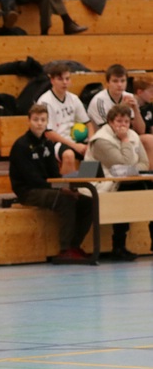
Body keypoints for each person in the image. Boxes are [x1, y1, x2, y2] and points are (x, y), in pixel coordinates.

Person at [9, 103, 93, 264]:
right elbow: (31, 179)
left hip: (47, 187)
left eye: (43, 120)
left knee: (87, 202)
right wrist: (60, 190)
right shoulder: (21, 146)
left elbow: (55, 174)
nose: (39, 123)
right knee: (65, 200)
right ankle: (65, 249)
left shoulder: (47, 144)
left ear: (47, 122)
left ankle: (75, 245)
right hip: (28, 191)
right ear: (29, 121)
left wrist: (67, 187)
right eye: (36, 120)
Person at [84, 103, 153, 261]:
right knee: (126, 192)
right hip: (101, 184)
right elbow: (123, 163)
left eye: (126, 122)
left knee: (148, 188)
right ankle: (118, 245)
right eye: (119, 121)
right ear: (110, 122)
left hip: (127, 179)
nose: (123, 126)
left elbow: (144, 164)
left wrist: (131, 171)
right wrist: (125, 140)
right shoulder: (101, 140)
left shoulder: (133, 135)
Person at [87, 64, 153, 170]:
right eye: (115, 81)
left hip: (125, 135)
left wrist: (136, 109)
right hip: (105, 139)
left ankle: (147, 176)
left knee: (149, 139)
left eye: (123, 81)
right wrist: (122, 107)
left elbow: (141, 130)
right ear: (107, 83)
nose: (119, 85)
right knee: (125, 160)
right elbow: (111, 128)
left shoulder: (129, 97)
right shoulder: (99, 101)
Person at [37, 61, 91, 176]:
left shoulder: (74, 99)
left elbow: (88, 123)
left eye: (67, 79)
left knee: (94, 151)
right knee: (69, 155)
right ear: (52, 81)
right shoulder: (45, 101)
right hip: (53, 142)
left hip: (73, 139)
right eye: (60, 79)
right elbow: (48, 133)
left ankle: (86, 181)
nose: (65, 82)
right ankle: (66, 186)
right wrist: (74, 146)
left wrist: (91, 142)